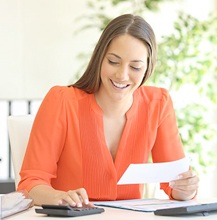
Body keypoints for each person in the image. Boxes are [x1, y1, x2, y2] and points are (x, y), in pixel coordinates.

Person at [18, 13, 199, 207]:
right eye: (113, 62)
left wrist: (185, 189)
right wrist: (60, 198)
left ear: (148, 68)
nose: (122, 75)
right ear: (100, 58)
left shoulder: (158, 103)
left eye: (135, 67)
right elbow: (30, 184)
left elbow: (174, 183)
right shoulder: (62, 101)